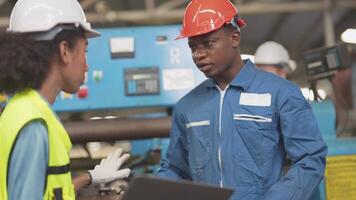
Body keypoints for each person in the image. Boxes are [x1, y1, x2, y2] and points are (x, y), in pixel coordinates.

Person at [157, 0, 327, 199]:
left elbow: (310, 158)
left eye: (208, 43)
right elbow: (175, 168)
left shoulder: (281, 93)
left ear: (234, 38)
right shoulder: (188, 106)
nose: (198, 54)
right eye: (192, 46)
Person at [0, 0, 130, 200]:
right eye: (84, 51)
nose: (87, 66)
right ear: (65, 51)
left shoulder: (18, 108)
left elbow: (46, 190)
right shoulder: (34, 123)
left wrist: (90, 177)